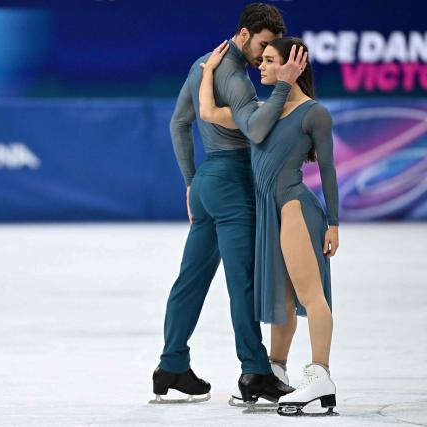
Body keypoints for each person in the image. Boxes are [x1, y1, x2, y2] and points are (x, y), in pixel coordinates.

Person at [151, 3, 305, 405]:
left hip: (206, 183)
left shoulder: (203, 65)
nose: (264, 55)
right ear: (244, 34)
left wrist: (190, 182)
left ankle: (171, 364)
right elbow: (256, 131)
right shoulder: (238, 79)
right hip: (234, 182)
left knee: (191, 279)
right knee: (244, 282)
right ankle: (255, 371)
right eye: (263, 45)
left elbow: (178, 123)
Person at [199, 37, 340, 416]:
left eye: (269, 60)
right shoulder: (261, 110)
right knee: (283, 300)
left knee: (310, 295)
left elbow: (327, 169)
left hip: (295, 208)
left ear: (290, 65)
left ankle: (321, 374)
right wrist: (209, 71)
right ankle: (275, 369)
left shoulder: (314, 113)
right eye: (260, 60)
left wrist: (334, 224)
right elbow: (210, 113)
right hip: (269, 213)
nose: (260, 66)